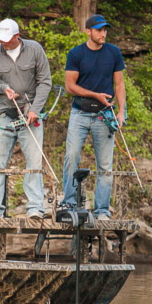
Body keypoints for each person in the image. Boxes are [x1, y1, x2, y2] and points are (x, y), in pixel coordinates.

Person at [0, 18, 52, 219]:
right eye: (0, 39)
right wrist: (2, 88)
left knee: (34, 162)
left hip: (30, 114)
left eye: (7, 39)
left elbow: (45, 82)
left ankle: (35, 207)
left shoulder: (35, 49)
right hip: (4, 114)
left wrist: (35, 109)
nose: (3, 43)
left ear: (17, 36)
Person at [60, 14, 126, 221]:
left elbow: (119, 84)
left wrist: (121, 112)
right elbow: (70, 87)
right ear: (88, 31)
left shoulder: (114, 52)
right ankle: (70, 202)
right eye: (99, 30)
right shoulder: (76, 53)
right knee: (71, 156)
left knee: (105, 165)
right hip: (80, 112)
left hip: (104, 115)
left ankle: (102, 210)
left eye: (105, 30)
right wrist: (94, 94)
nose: (103, 33)